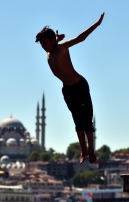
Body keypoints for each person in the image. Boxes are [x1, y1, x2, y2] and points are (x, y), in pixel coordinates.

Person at [35, 12, 105, 164]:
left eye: (45, 43)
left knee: (87, 121)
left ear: (52, 40)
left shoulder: (61, 49)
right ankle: (83, 151)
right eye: (42, 45)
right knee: (77, 121)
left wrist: (97, 24)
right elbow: (52, 44)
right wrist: (56, 40)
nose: (44, 47)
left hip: (79, 85)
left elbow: (81, 38)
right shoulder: (49, 52)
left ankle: (91, 151)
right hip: (67, 89)